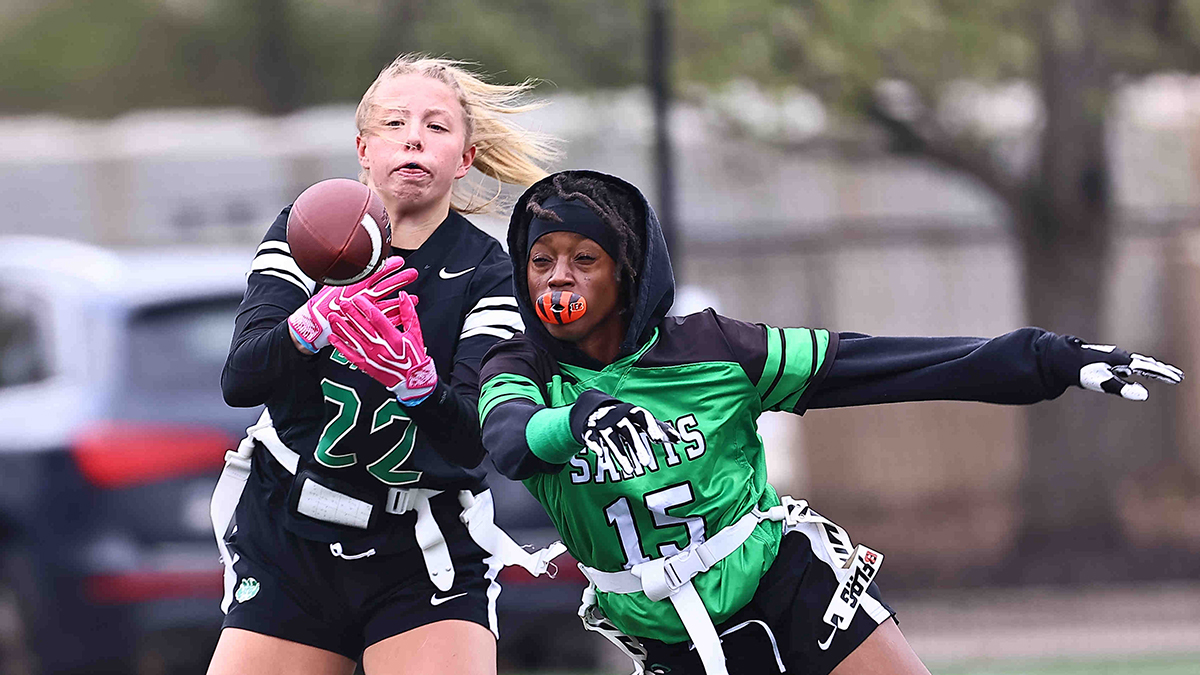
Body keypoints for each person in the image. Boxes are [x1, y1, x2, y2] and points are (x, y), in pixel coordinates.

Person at [442, 169, 1178, 675]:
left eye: (583, 257)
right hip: (671, 637)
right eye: (541, 260)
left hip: (789, 586)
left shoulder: (713, 349)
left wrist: (1049, 359)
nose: (558, 278)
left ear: (628, 269)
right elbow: (509, 441)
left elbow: (881, 366)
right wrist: (576, 421)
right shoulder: (522, 366)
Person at [207, 55, 562, 675]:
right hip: (291, 532)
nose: (414, 138)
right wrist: (311, 324)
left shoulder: (493, 272)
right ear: (363, 148)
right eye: (395, 123)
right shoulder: (310, 231)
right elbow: (242, 379)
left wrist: (419, 385)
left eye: (437, 126)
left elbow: (474, 445)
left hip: (422, 545)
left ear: (465, 158)